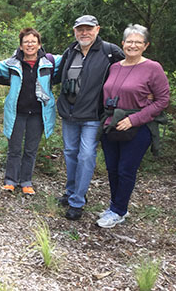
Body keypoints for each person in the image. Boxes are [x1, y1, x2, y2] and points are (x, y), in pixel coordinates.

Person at [96, 24, 169, 228]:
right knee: (112, 168)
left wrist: (133, 120)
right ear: (123, 43)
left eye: (138, 42)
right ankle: (116, 206)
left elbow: (162, 100)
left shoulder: (153, 68)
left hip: (137, 128)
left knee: (126, 169)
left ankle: (118, 211)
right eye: (129, 41)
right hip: (112, 124)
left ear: (145, 45)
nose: (133, 45)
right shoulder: (115, 66)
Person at [53, 15, 124, 220]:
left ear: (97, 29)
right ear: (75, 31)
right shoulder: (70, 51)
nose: (84, 33)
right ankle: (70, 192)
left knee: (85, 156)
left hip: (93, 116)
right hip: (70, 113)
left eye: (88, 29)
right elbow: (57, 75)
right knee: (70, 154)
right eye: (80, 29)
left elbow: (129, 72)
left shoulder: (110, 52)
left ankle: (77, 202)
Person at [0, 28, 58, 195]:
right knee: (14, 148)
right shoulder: (11, 64)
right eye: (26, 42)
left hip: (38, 114)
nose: (30, 44)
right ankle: (10, 180)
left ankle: (26, 181)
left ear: (39, 44)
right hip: (17, 112)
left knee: (31, 149)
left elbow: (68, 59)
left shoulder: (49, 63)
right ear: (21, 45)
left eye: (33, 41)